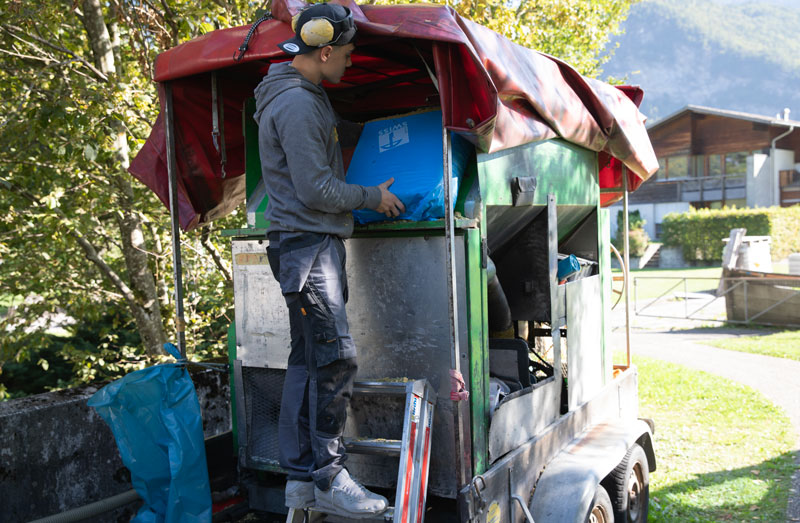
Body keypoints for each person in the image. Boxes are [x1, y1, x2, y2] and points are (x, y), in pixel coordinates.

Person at [252, 3, 405, 518]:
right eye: (345, 52)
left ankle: (301, 480)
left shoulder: (304, 93)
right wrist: (369, 197)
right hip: (308, 245)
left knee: (309, 361)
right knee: (337, 359)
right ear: (322, 52)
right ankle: (329, 476)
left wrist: (366, 187)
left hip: (305, 245)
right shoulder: (295, 103)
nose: (352, 59)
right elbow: (316, 188)